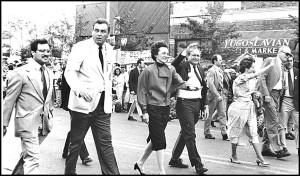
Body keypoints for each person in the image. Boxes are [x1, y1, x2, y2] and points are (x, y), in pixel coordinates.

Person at [64, 18, 119, 175]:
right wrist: (79, 89)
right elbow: (70, 72)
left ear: (108, 33)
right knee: (76, 144)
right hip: (83, 104)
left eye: (103, 31)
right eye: (96, 30)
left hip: (103, 106)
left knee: (106, 144)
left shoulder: (110, 49)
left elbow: (106, 76)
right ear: (92, 31)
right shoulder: (81, 48)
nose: (99, 34)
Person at [3, 39, 54, 174]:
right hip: (27, 123)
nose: (46, 54)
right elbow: (9, 100)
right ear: (33, 52)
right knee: (33, 159)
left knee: (28, 155)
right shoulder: (20, 73)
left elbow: (48, 98)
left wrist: (51, 115)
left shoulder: (49, 72)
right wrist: (4, 124)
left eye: (48, 51)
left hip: (44, 124)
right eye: (42, 51)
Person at [134, 41, 186, 175]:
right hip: (153, 108)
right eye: (163, 53)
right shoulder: (148, 70)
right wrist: (144, 112)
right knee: (160, 140)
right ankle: (162, 171)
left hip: (166, 108)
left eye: (167, 53)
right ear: (155, 55)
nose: (166, 55)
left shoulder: (170, 69)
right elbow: (141, 91)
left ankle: (140, 163)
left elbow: (179, 82)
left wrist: (189, 86)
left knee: (155, 138)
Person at [227, 55, 275, 166]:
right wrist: (269, 66)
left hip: (249, 107)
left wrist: (257, 103)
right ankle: (233, 155)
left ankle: (260, 158)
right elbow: (255, 74)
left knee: (253, 133)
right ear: (247, 69)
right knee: (235, 132)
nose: (254, 69)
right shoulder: (241, 77)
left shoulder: (251, 79)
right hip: (238, 107)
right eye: (253, 67)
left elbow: (253, 91)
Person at [169, 43, 209, 175]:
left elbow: (205, 89)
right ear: (188, 56)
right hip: (184, 103)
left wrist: (205, 105)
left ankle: (175, 159)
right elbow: (173, 65)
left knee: (186, 132)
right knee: (190, 134)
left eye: (198, 55)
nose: (196, 57)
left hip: (197, 103)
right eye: (193, 55)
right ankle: (197, 163)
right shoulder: (182, 66)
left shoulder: (201, 69)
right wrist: (184, 52)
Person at [258, 45, 292, 158]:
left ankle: (266, 147)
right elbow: (262, 77)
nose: (288, 57)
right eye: (286, 54)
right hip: (270, 94)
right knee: (273, 122)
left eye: (289, 55)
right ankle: (279, 149)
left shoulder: (282, 66)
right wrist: (266, 94)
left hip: (278, 95)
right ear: (280, 52)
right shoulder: (270, 60)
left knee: (272, 121)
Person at [60, 66, 93, 165]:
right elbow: (65, 88)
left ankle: (65, 152)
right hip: (73, 104)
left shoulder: (85, 69)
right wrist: (65, 104)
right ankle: (84, 156)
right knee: (77, 129)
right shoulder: (70, 69)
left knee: (74, 129)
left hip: (82, 103)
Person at [204, 54, 228, 140]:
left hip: (220, 93)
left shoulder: (220, 70)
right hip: (213, 94)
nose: (221, 61)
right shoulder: (211, 70)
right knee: (209, 114)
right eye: (220, 60)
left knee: (222, 113)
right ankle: (207, 132)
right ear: (215, 61)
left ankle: (224, 133)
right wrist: (217, 95)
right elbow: (210, 84)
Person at [278, 56, 299, 155]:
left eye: (291, 61)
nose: (289, 62)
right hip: (285, 100)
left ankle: (298, 147)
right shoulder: (280, 73)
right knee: (282, 126)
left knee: (298, 125)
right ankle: (284, 147)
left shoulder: (297, 72)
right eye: (287, 61)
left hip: (296, 102)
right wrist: (282, 88)